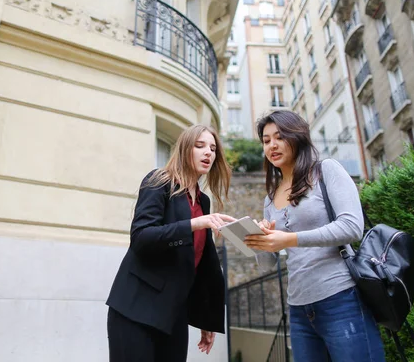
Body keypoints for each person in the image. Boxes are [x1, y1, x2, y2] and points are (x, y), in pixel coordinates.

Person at [244, 110, 385, 362]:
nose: (272, 145)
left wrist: (290, 238)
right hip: (299, 309)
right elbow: (269, 263)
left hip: (341, 297)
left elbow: (352, 227)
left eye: (279, 137)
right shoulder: (270, 198)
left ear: (296, 136)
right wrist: (258, 242)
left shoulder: (325, 171)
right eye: (266, 141)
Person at [106, 124, 235, 362]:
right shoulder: (159, 181)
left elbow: (198, 264)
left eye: (213, 148)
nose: (208, 152)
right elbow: (142, 238)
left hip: (174, 314)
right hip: (135, 308)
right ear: (186, 149)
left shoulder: (203, 202)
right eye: (200, 146)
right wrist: (194, 224)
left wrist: (206, 318)